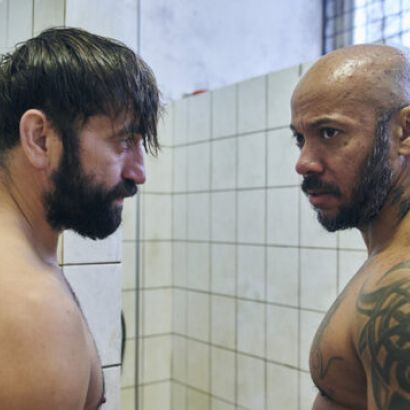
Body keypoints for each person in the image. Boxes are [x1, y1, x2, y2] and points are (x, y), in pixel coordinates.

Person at [0, 27, 160, 409]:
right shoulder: (33, 308)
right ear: (40, 139)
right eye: (124, 141)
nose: (138, 173)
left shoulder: (25, 264)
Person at [291, 44, 410, 410]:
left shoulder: (402, 292)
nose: (303, 162)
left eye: (329, 133)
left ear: (405, 132)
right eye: (300, 138)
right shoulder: (388, 260)